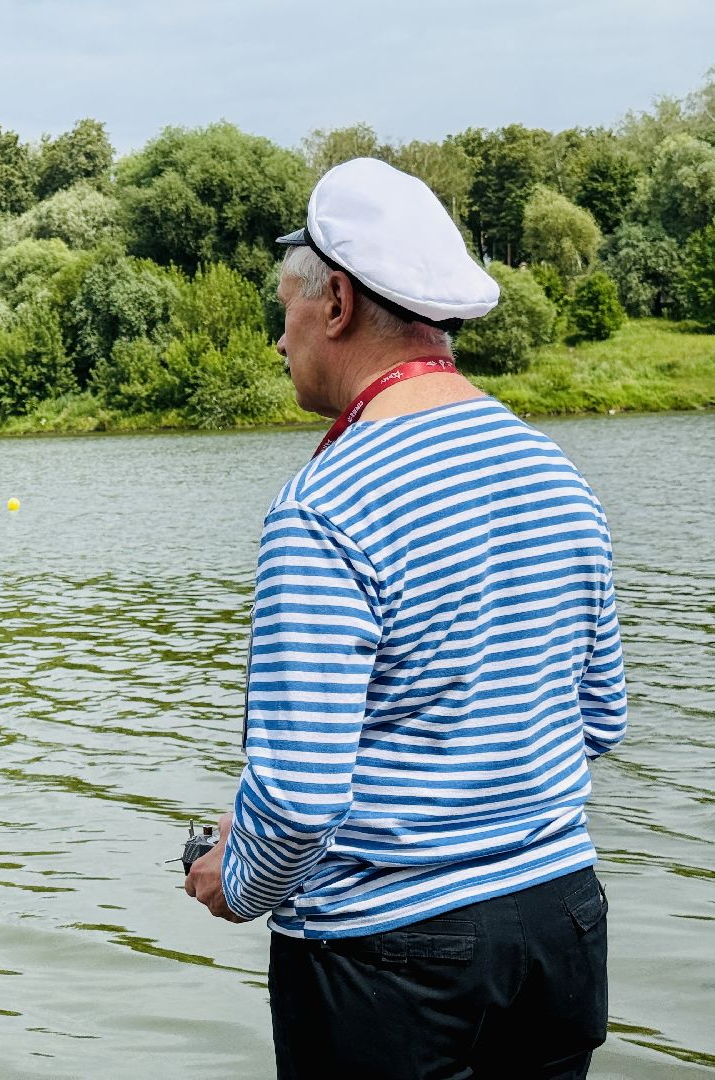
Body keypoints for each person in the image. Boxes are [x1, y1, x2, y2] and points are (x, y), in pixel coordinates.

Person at [184, 157, 628, 1080]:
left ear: (337, 302)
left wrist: (234, 881)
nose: (279, 340)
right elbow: (601, 719)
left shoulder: (328, 504)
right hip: (561, 926)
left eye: (286, 308)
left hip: (392, 965)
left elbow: (300, 798)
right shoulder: (555, 472)